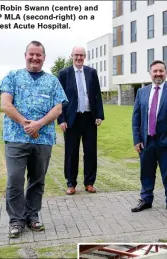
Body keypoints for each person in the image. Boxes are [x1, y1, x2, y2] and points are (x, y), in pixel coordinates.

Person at [0, 40, 68, 238]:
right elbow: (6, 105)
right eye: (31, 54)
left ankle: (32, 216)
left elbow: (58, 108)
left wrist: (39, 124)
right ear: (25, 55)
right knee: (14, 180)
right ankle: (16, 221)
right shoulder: (13, 76)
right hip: (16, 138)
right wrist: (27, 124)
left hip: (43, 140)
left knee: (37, 181)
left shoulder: (52, 81)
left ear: (44, 57)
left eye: (39, 55)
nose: (35, 58)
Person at [131, 60, 167, 214]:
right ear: (150, 73)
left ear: (166, 72)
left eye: (161, 71)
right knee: (146, 172)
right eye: (155, 71)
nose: (158, 74)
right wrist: (137, 139)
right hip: (146, 141)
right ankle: (146, 199)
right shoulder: (141, 92)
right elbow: (136, 118)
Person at [57, 46, 104, 195]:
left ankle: (89, 183)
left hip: (89, 118)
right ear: (71, 56)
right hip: (72, 119)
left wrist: (99, 115)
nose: (79, 58)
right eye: (76, 55)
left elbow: (97, 95)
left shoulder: (91, 72)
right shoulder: (64, 74)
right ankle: (71, 183)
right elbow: (59, 98)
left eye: (81, 55)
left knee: (90, 151)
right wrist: (61, 119)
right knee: (71, 152)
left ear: (85, 56)